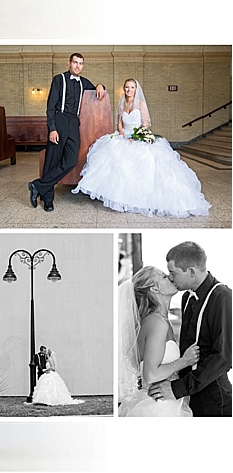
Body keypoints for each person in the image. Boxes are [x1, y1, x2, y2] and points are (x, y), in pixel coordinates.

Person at [72, 79, 210, 217]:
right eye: (126, 87)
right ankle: (121, 198)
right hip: (124, 137)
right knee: (116, 162)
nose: (129, 90)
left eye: (132, 87)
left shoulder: (141, 104)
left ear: (136, 89)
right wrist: (122, 133)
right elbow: (119, 123)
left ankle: (141, 199)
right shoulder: (122, 104)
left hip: (138, 137)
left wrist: (137, 137)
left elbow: (145, 124)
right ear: (124, 88)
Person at [148, 242, 231, 416]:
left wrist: (177, 388)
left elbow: (224, 356)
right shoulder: (186, 298)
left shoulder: (222, 296)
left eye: (173, 273)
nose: (170, 278)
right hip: (188, 397)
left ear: (191, 272)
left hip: (214, 399)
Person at [28, 53, 106, 212]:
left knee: (71, 160)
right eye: (75, 63)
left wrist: (100, 85)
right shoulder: (59, 79)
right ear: (69, 63)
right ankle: (47, 199)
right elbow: (50, 106)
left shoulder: (83, 82)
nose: (78, 66)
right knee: (52, 160)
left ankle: (37, 185)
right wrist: (53, 128)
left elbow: (97, 88)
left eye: (81, 63)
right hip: (59, 119)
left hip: (74, 122)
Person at [118, 266, 197, 416]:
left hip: (162, 401)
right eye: (164, 276)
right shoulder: (157, 323)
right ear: (154, 288)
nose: (170, 277)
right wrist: (184, 361)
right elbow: (151, 374)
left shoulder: (158, 321)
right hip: (158, 406)